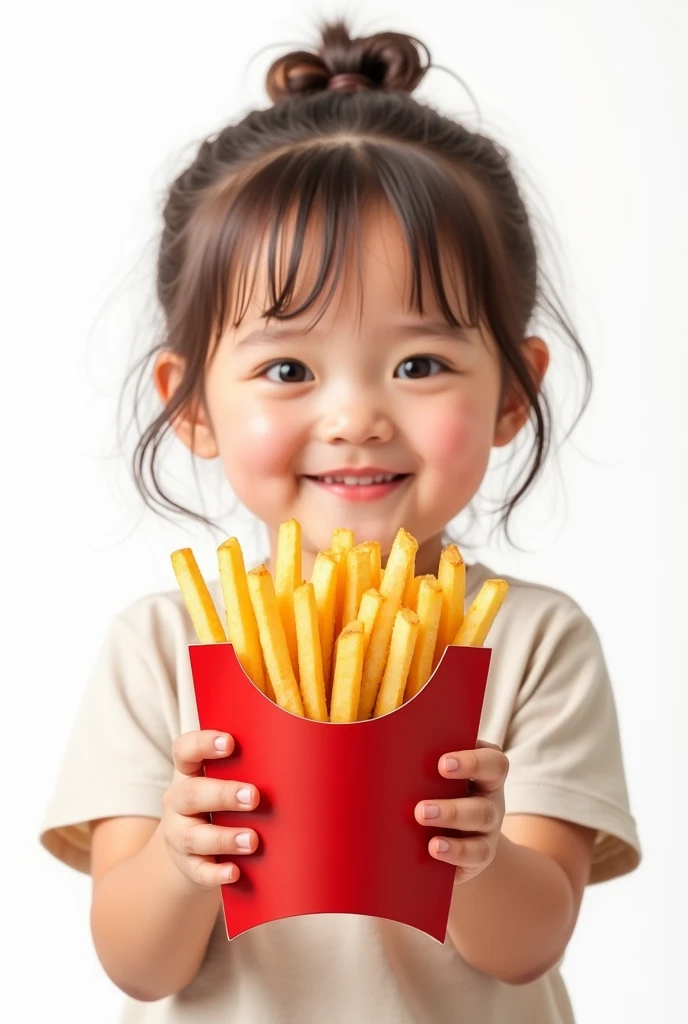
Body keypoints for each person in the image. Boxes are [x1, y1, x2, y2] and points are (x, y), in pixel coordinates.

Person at [39, 20, 641, 1024]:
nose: (355, 415)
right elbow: (137, 963)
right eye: (287, 369)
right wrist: (180, 862)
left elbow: (529, 942)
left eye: (419, 364)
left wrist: (478, 858)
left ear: (510, 395)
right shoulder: (163, 646)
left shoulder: (530, 641)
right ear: (189, 403)